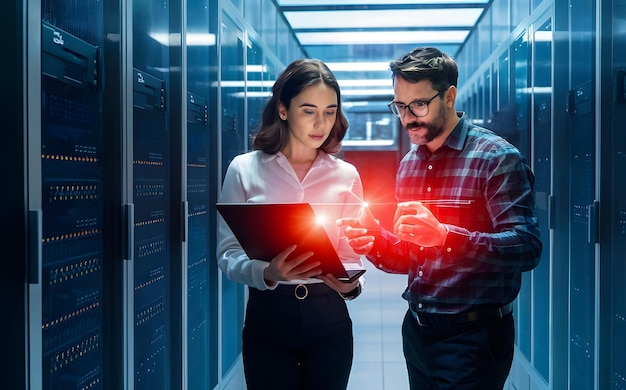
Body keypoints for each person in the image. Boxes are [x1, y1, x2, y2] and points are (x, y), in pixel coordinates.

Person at [337, 47, 542, 389]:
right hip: (417, 330)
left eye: (418, 105)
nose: (407, 117)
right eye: (399, 106)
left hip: (473, 336)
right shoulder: (409, 165)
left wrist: (447, 237)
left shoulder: (495, 158)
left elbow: (527, 247)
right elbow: (410, 257)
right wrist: (373, 240)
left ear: (449, 96)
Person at [217, 58, 365, 390]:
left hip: (329, 316)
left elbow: (351, 252)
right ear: (283, 109)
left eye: (330, 111)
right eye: (309, 110)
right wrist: (267, 273)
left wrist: (352, 285)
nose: (321, 123)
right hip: (268, 317)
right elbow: (227, 254)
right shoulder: (244, 169)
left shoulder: (346, 175)